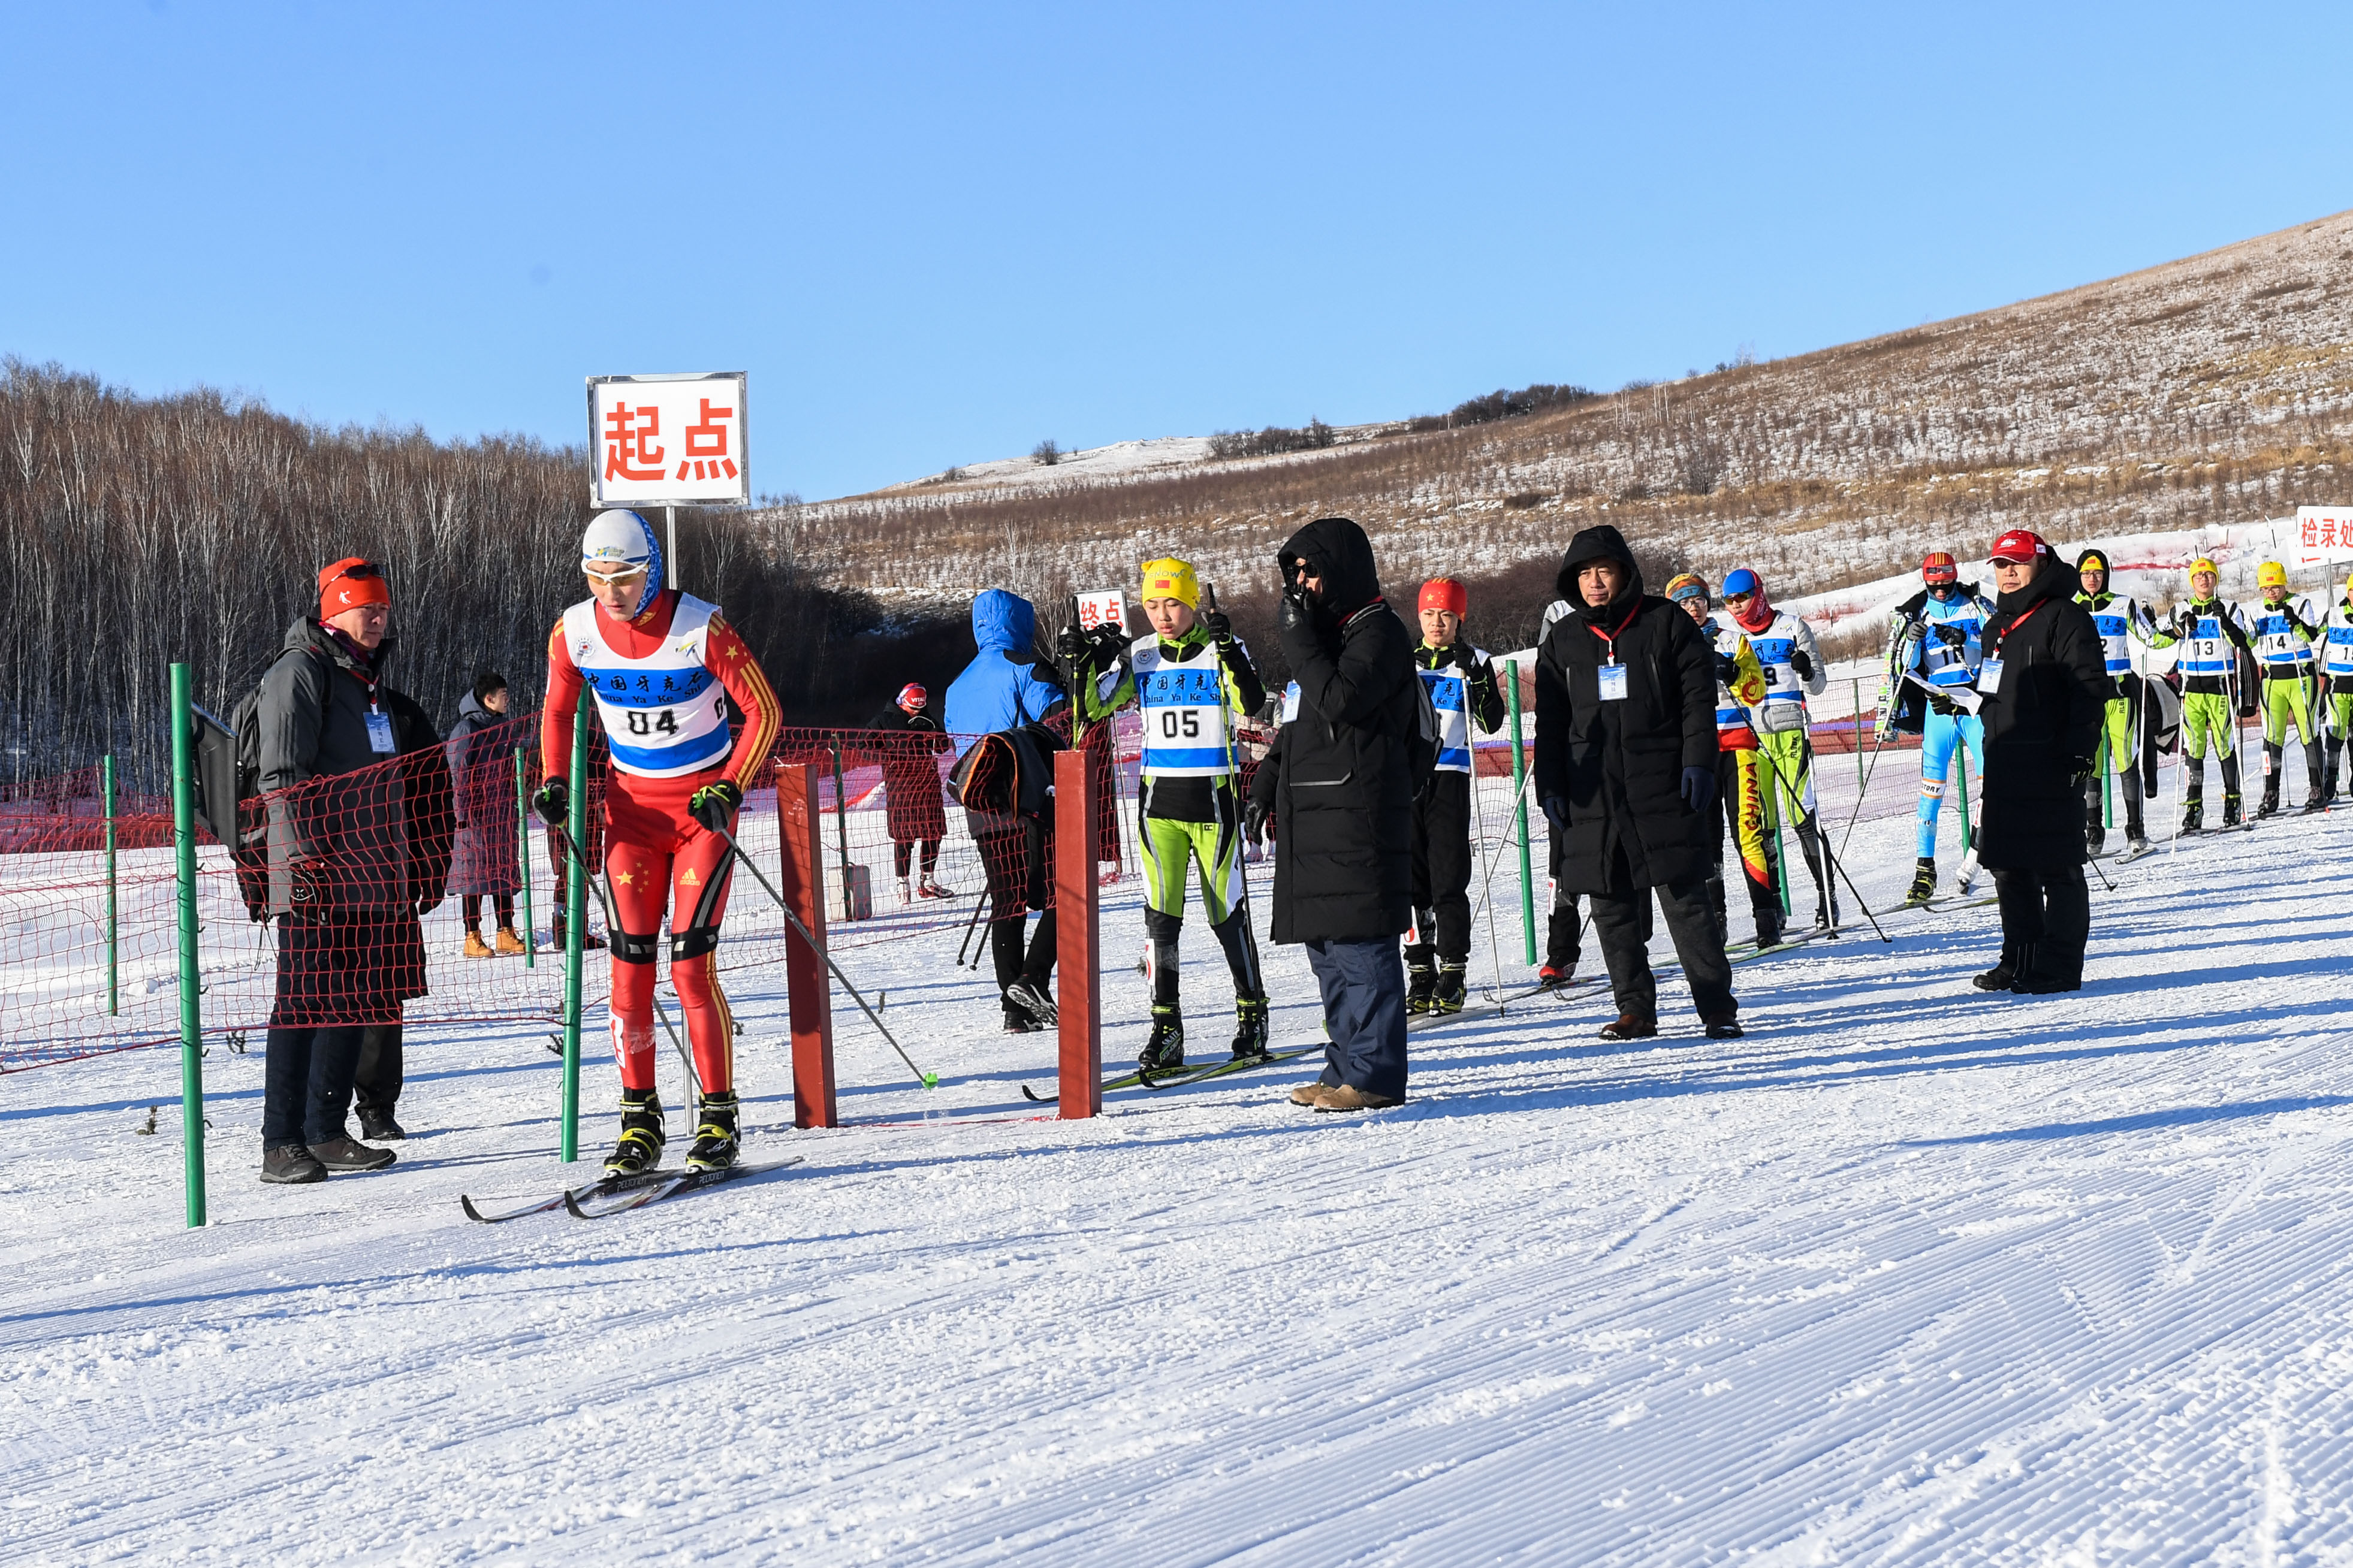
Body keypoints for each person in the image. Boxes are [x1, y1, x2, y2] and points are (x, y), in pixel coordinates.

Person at [534, 509, 783, 1176]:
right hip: (632, 818)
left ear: (652, 570)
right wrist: (555, 780)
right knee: (628, 972)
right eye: (596, 576)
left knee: (688, 967)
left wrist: (731, 785)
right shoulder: (575, 631)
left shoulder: (699, 626)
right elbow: (558, 710)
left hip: (701, 812)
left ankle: (718, 1115)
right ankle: (638, 1118)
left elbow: (764, 710)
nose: (610, 591)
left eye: (624, 576)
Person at [256, 557, 455, 1182]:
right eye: (363, 607)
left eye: (383, 608)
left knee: (354, 1001)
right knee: (302, 1004)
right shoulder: (300, 672)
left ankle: (325, 1129)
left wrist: (415, 860)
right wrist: (303, 860)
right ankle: (280, 1141)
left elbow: (397, 784)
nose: (376, 617)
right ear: (331, 611)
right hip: (316, 874)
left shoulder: (367, 685)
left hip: (370, 876)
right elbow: (282, 776)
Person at [1536, 527, 1739, 1041]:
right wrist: (1552, 785)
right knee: (1610, 904)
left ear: (1624, 572)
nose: (1594, 582)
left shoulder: (1665, 622)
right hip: (1593, 790)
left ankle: (1716, 1005)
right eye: (1583, 573)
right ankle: (1635, 1009)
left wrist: (1698, 760)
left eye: (1603, 570)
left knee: (1685, 898)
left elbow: (1698, 699)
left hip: (1662, 781)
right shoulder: (1561, 641)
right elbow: (1551, 725)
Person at [1066, 558, 1269, 1068]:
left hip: (1214, 801)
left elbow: (1252, 699)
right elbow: (1090, 710)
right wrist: (1084, 661)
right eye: (1152, 605)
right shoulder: (1142, 656)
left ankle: (1252, 1011)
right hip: (1159, 806)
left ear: (1194, 602)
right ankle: (1167, 1026)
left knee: (1226, 913)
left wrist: (1228, 649)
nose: (1162, 614)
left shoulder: (1222, 648)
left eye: (1173, 603)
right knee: (1161, 922)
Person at [1266, 517, 1419, 1111]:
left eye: (1311, 570)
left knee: (1361, 950)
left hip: (1358, 811)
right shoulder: (1327, 641)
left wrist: (1299, 642)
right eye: (1294, 573)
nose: (1301, 584)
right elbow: (1302, 718)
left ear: (1343, 571)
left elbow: (1340, 700)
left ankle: (1375, 1075)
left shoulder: (1377, 633)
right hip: (1315, 811)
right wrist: (1269, 781)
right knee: (1328, 956)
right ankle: (1343, 1068)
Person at [1971, 529, 2106, 994]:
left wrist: (2078, 751)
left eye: (2018, 563)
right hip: (2005, 763)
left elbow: (2089, 689)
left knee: (2058, 867)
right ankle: (2020, 960)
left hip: (2051, 761)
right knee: (2008, 867)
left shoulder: (2066, 618)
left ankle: (2060, 966)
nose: (2008, 573)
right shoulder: (1996, 626)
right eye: (2000, 564)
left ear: (2041, 564)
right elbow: (1993, 692)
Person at [945, 588, 1069, 1029]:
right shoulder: (1027, 668)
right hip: (1028, 798)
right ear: (1021, 624)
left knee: (1007, 903)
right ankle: (1033, 979)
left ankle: (1014, 1011)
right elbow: (1057, 726)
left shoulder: (956, 685)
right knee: (1063, 893)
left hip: (979, 806)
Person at [1404, 577, 1507, 1014]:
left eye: (1446, 615)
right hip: (1407, 779)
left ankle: (1453, 969)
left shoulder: (1474, 660)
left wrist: (1478, 676)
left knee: (1447, 877)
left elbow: (1492, 722)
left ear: (1459, 618)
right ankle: (1420, 970)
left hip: (1449, 775)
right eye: (1429, 614)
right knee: (1411, 881)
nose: (1437, 623)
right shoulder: (1403, 661)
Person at [1722, 567, 1838, 930]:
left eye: (1742, 598)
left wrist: (1805, 670)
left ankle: (1826, 899)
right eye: (1730, 601)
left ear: (1759, 594)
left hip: (1788, 734)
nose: (1738, 606)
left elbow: (1818, 685)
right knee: (1762, 825)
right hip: (1748, 737)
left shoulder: (1792, 626)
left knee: (1803, 816)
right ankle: (1774, 906)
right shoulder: (1726, 637)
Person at [1665, 573, 1776, 950]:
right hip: (1696, 753)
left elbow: (1757, 692)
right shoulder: (1667, 645)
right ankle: (1716, 921)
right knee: (1705, 840)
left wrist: (1731, 670)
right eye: (1683, 602)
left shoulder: (1731, 639)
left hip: (1737, 746)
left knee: (1747, 831)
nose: (1692, 607)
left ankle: (1766, 915)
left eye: (1697, 600)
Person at [1881, 552, 1997, 903]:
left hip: (1976, 707)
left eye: (1946, 585)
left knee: (1993, 786)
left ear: (1955, 578)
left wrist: (1965, 640)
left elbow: (1997, 648)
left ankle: (1976, 860)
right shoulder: (1916, 611)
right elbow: (1904, 667)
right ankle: (1924, 870)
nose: (1941, 592)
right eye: (1934, 586)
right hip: (1939, 711)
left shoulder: (1976, 605)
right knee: (1929, 795)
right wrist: (1913, 639)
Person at [2071, 549, 2167, 856]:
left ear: (2106, 575)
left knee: (2126, 760)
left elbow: (2152, 639)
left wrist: (2178, 631)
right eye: (2086, 574)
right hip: (2086, 699)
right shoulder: (2071, 607)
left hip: (2119, 693)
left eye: (2097, 573)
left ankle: (2135, 829)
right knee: (2092, 767)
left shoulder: (2122, 604)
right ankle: (2094, 832)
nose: (2092, 579)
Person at [2167, 557, 2254, 833]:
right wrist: (2184, 625)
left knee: (2225, 744)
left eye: (2209, 575)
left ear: (2216, 579)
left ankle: (2233, 801)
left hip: (2220, 685)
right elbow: (2171, 634)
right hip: (2192, 687)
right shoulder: (2181, 608)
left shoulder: (2229, 607)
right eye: (2199, 576)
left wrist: (2225, 621)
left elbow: (2246, 641)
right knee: (2194, 748)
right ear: (2192, 581)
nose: (2204, 580)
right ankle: (2194, 806)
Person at [447, 669, 526, 956]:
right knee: (474, 875)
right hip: (475, 817)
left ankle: (506, 931)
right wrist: (464, 811)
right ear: (489, 698)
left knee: (503, 871)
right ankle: (472, 935)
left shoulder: (504, 728)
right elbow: (459, 771)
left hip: (502, 814)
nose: (508, 701)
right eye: (504, 696)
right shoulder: (467, 730)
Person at [2246, 561, 2325, 816]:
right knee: (2272, 738)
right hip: (2272, 680)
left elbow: (2312, 635)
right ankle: (2271, 792)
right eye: (2266, 588)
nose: (2271, 592)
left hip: (2300, 676)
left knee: (2309, 732)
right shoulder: (2259, 611)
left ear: (2284, 584)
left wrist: (2296, 622)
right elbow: (2248, 639)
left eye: (2276, 586)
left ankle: (2317, 788)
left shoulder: (2301, 604)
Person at [867, 681, 953, 901]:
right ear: (903, 702)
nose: (917, 712)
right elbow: (863, 746)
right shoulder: (883, 721)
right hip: (901, 788)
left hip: (928, 785)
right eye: (913, 708)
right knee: (904, 837)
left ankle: (928, 881)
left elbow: (942, 747)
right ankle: (902, 883)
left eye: (920, 708)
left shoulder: (927, 719)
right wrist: (888, 758)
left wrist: (936, 733)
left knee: (933, 833)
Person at [1536, 597, 1583, 986]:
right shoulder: (1556, 613)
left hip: (1608, 758)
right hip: (1566, 765)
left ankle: (1638, 942)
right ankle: (1560, 951)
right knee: (1561, 864)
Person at [2321, 572, 2353, 805]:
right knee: (2335, 732)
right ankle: (2330, 779)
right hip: (2338, 685)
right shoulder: (2335, 616)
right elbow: (2313, 635)